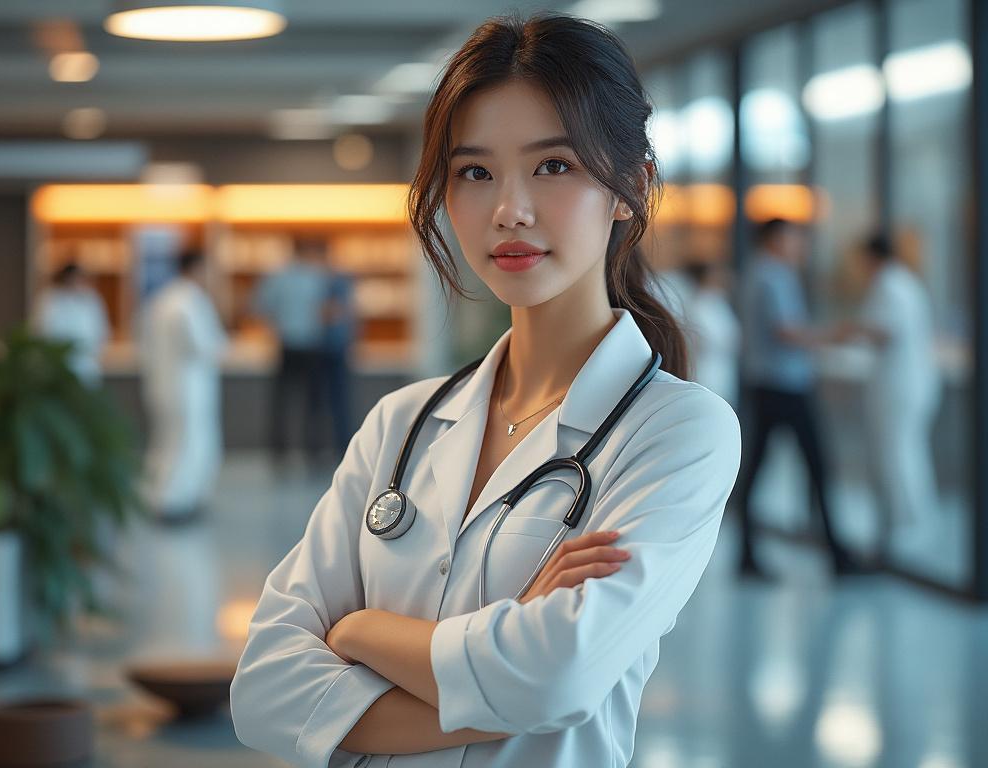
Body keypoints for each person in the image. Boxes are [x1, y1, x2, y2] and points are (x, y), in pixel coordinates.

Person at [231, 15, 741, 768]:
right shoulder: (402, 422)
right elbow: (263, 689)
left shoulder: (678, 431)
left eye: (553, 166)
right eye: (474, 173)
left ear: (631, 189)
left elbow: (555, 676)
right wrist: (503, 673)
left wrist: (360, 632)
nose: (509, 210)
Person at [736, 218, 861, 579]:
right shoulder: (772, 275)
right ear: (775, 239)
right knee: (816, 466)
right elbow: (786, 331)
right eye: (793, 238)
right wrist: (831, 336)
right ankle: (836, 555)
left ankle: (749, 554)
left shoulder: (758, 273)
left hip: (770, 384)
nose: (799, 245)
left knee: (759, 469)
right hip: (784, 386)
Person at [849, 234, 941, 548]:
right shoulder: (905, 282)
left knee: (899, 453)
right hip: (910, 382)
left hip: (900, 385)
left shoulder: (889, 285)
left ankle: (909, 523)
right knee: (908, 451)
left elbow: (884, 332)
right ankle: (911, 520)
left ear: (870, 256)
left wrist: (850, 331)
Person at [142, 249, 227, 522]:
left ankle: (158, 496)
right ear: (197, 268)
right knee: (186, 444)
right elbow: (204, 345)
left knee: (166, 442)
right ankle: (174, 501)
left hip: (163, 384)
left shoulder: (161, 299)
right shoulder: (191, 302)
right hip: (188, 389)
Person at [253, 239, 332, 470]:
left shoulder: (277, 277)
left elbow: (260, 307)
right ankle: (313, 451)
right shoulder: (318, 278)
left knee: (282, 402)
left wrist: (278, 323)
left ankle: (279, 453)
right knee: (312, 403)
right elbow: (326, 311)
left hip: (286, 344)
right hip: (311, 345)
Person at [33, 262, 109, 386]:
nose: (75, 282)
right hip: (57, 365)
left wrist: (95, 351)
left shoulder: (90, 299)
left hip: (85, 366)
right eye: (72, 278)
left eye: (79, 278)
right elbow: (42, 330)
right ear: (64, 278)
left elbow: (101, 331)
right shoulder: (50, 299)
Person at [682, 260, 741, 407]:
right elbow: (704, 340)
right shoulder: (698, 305)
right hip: (707, 369)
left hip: (723, 367)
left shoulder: (719, 301)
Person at [320, 262, 359, 458]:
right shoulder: (341, 289)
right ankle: (338, 444)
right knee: (337, 401)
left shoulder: (331, 289)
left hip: (330, 351)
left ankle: (336, 444)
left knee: (332, 402)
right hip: (333, 351)